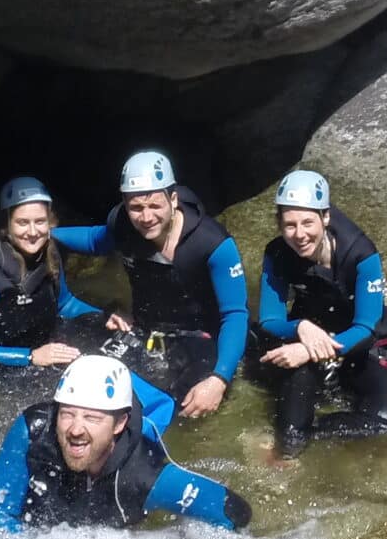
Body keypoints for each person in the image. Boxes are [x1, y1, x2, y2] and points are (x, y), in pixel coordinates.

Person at [52, 151, 247, 419]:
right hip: (146, 329)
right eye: (136, 207)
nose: (146, 217)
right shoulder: (123, 226)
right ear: (124, 204)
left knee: (185, 411)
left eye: (155, 206)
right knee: (88, 385)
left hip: (201, 338)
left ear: (173, 199)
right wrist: (41, 235)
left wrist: (219, 379)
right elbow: (93, 241)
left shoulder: (212, 244)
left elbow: (235, 314)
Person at [0, 356, 250, 533]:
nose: (76, 429)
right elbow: (1, 515)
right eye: (67, 414)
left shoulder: (147, 476)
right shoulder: (35, 430)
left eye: (92, 418)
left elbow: (237, 514)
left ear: (118, 424)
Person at [255, 170, 387, 455]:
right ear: (279, 224)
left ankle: (314, 432)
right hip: (305, 334)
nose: (299, 235)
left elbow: (366, 327)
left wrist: (313, 350)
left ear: (325, 217)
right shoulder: (276, 253)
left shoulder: (361, 253)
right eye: (289, 225)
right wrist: (299, 327)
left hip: (358, 341)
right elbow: (270, 320)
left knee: (385, 422)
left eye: (308, 223)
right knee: (291, 432)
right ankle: (286, 448)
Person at [0, 177, 110, 371]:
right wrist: (30, 356)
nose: (32, 232)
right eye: (22, 223)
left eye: (40, 221)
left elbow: (65, 305)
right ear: (6, 227)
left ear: (50, 222)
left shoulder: (50, 253)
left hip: (40, 358)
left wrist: (104, 318)